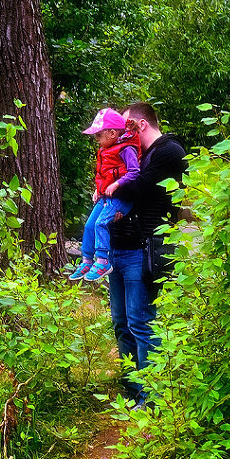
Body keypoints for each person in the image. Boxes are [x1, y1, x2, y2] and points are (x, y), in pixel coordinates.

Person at [105, 102, 188, 407]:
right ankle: (131, 390)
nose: (119, 138)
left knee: (141, 323)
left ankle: (151, 399)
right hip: (119, 250)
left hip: (145, 250)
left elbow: (135, 187)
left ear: (139, 126)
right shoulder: (137, 155)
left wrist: (111, 189)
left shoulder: (169, 151)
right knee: (122, 322)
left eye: (124, 129)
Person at [69, 108, 141, 282]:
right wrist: (98, 189)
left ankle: (102, 261)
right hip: (106, 196)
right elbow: (104, 174)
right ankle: (86, 260)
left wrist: (116, 184)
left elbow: (134, 172)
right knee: (89, 225)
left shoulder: (126, 149)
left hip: (121, 197)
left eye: (98, 136)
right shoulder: (107, 149)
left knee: (101, 224)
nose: (97, 140)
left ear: (111, 133)